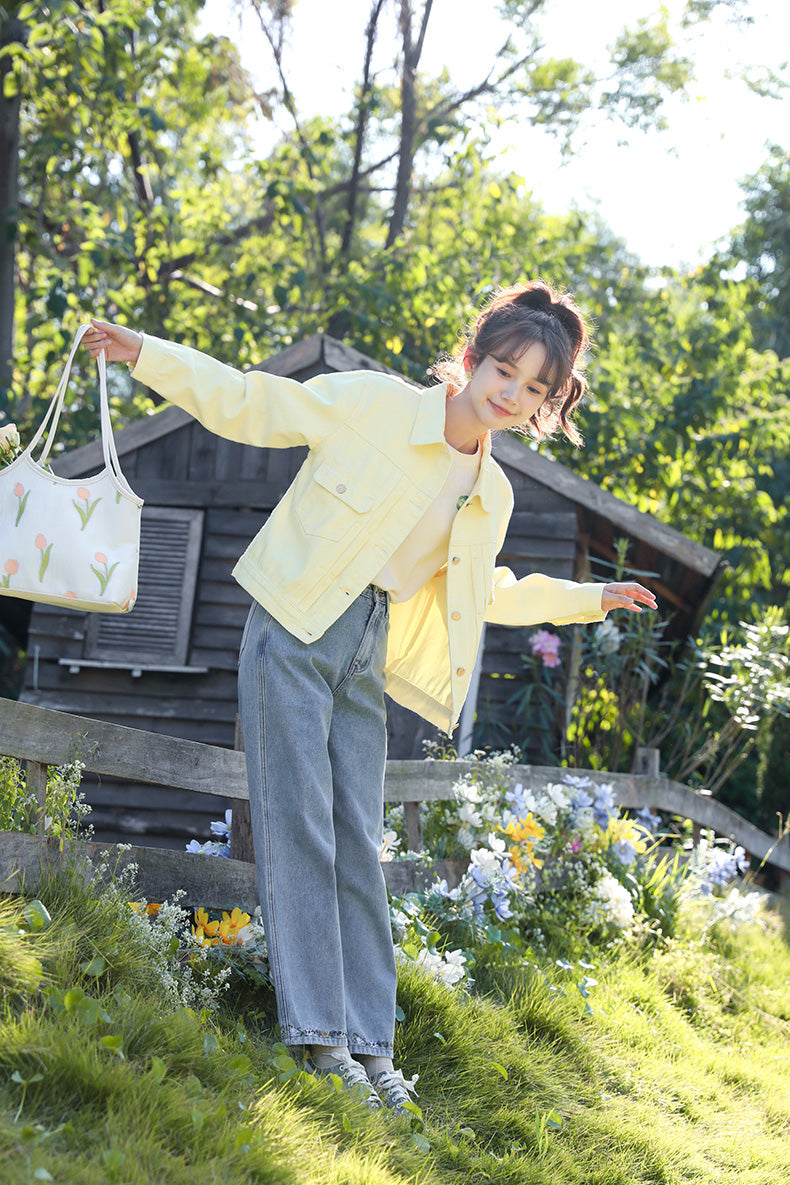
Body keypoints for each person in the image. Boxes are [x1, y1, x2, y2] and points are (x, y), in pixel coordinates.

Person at [83, 281, 656, 1114]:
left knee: (360, 840)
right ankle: (321, 1042)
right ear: (471, 358)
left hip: (366, 649)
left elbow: (484, 588)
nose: (511, 393)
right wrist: (148, 353)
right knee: (301, 823)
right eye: (503, 369)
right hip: (294, 621)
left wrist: (588, 598)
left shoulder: (489, 492)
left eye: (534, 386)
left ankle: (372, 1047)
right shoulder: (377, 406)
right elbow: (253, 403)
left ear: (545, 400)